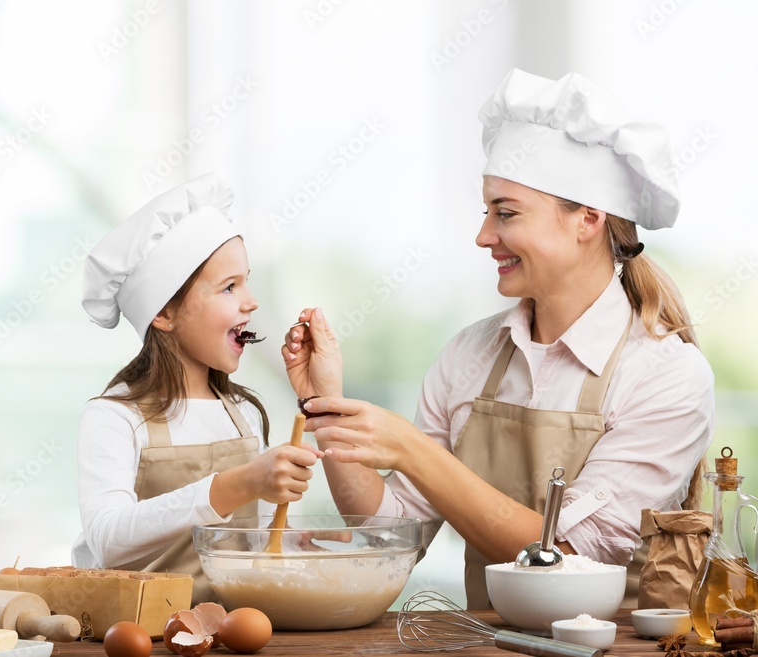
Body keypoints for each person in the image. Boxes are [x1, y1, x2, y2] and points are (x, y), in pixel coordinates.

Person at [282, 69, 715, 608]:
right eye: (485, 211)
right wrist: (326, 409)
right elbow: (393, 537)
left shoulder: (665, 375)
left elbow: (570, 557)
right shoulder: (470, 354)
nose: (483, 235)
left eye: (505, 213)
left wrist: (414, 451)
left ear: (587, 218)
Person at [72, 173, 319, 603]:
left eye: (247, 280)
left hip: (234, 631)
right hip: (146, 634)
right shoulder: (116, 416)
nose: (251, 301)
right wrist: (239, 483)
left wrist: (301, 541)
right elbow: (108, 538)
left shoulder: (241, 411)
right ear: (164, 313)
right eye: (229, 287)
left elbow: (257, 540)